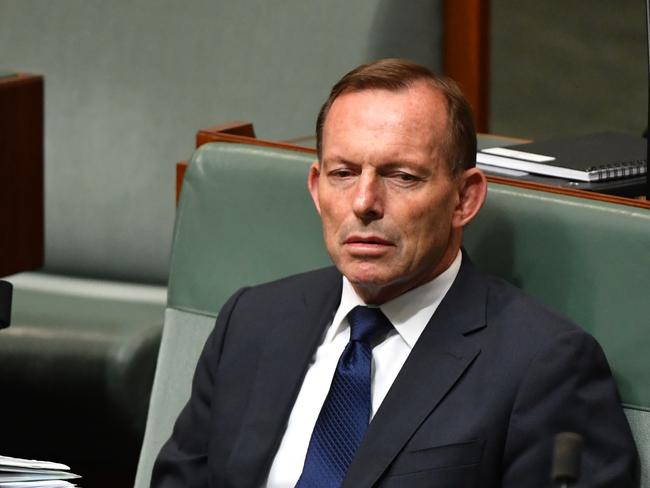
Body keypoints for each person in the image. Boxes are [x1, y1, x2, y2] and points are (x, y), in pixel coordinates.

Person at [151, 59, 638, 487]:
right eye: (343, 174)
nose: (364, 203)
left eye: (401, 176)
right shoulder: (251, 322)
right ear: (317, 188)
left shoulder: (545, 366)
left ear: (464, 198)